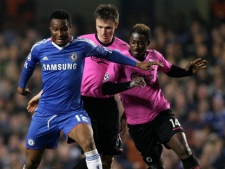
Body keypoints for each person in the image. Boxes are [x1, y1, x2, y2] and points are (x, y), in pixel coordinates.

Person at [17, 10, 162, 169]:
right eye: (55, 29)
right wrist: (23, 88)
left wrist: (136, 64)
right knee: (32, 162)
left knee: (96, 148)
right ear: (50, 28)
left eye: (64, 29)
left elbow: (111, 56)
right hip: (55, 109)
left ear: (70, 27)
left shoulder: (86, 46)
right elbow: (32, 67)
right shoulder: (41, 48)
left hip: (79, 110)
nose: (60, 33)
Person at [102, 23, 207, 169]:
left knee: (185, 152)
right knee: (156, 166)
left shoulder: (154, 56)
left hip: (161, 114)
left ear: (148, 44)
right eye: (133, 42)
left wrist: (187, 72)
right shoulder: (120, 61)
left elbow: (170, 70)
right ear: (129, 41)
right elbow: (106, 88)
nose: (136, 46)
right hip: (138, 126)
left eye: (140, 43)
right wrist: (129, 84)